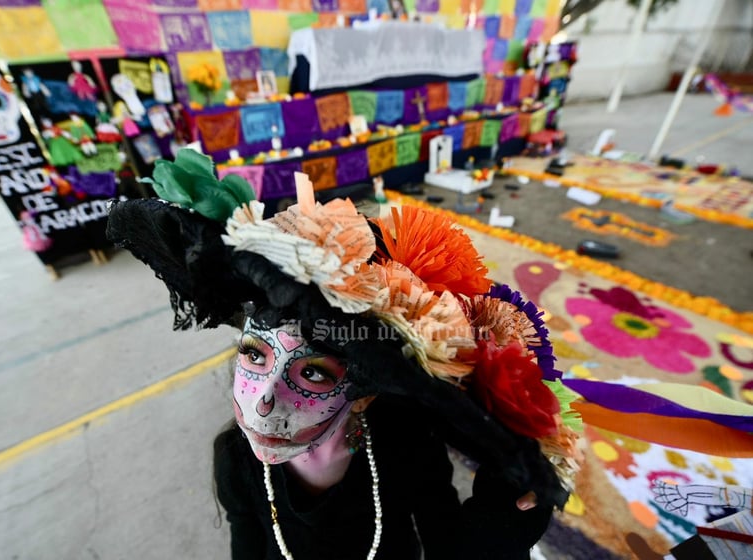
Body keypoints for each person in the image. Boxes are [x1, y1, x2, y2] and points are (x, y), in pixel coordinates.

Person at [106, 149, 583, 559]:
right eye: (254, 355)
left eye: (313, 372)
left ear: (363, 390)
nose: (263, 403)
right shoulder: (236, 461)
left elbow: (448, 544)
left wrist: (500, 520)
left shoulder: (406, 446)